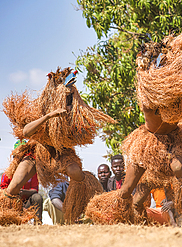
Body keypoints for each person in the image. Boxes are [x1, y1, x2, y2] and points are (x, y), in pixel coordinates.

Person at [86, 27, 182, 224]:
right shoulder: (149, 90)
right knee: (128, 191)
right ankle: (107, 216)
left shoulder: (172, 81)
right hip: (148, 144)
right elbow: (174, 100)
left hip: (175, 139)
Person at [0, 67, 114, 224]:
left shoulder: (73, 114)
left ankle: (86, 208)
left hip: (62, 153)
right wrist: (49, 116)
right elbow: (26, 132)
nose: (66, 103)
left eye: (68, 99)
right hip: (37, 152)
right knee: (13, 187)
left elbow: (80, 133)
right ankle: (7, 215)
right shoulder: (43, 113)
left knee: (76, 173)